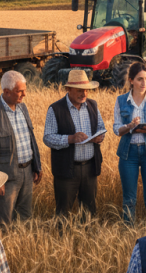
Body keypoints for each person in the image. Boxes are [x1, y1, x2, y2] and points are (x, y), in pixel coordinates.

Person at [0, 71, 42, 228]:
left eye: (24, 90)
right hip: (6, 176)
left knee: (25, 217)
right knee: (3, 220)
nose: (24, 94)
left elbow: (30, 138)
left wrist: (36, 166)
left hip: (27, 172)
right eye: (20, 91)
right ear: (6, 92)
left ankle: (21, 248)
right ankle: (2, 248)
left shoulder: (22, 108)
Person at [43, 70, 107, 217]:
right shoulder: (56, 109)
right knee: (63, 212)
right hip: (66, 170)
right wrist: (70, 139)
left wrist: (99, 137)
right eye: (79, 90)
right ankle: (62, 239)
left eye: (86, 90)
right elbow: (47, 137)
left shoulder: (92, 105)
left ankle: (87, 239)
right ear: (68, 89)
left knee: (89, 211)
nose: (84, 94)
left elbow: (101, 128)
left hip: (90, 167)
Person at [112, 62, 146, 223]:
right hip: (128, 153)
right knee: (129, 199)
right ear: (131, 80)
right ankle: (128, 232)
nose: (144, 83)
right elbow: (116, 129)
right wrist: (129, 126)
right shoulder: (121, 100)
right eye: (139, 79)